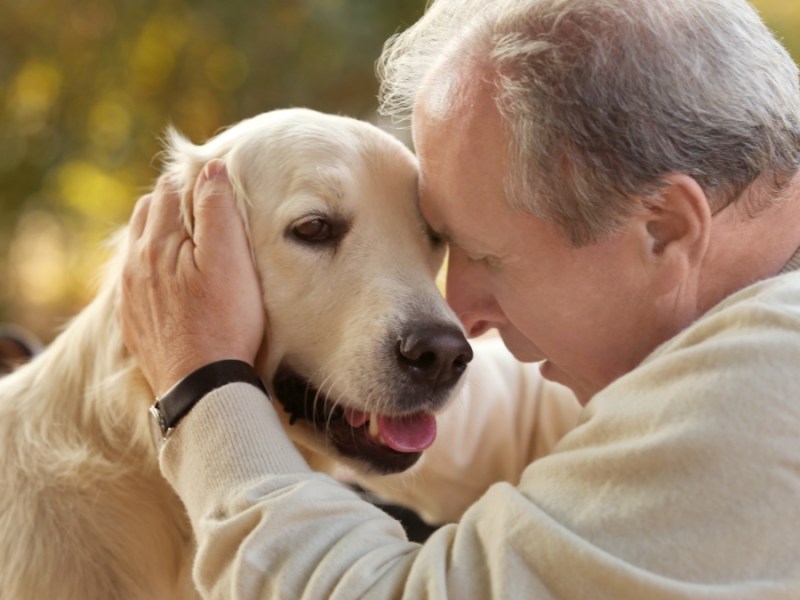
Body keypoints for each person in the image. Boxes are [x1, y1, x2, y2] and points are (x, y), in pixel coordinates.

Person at [118, 0, 800, 597]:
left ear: (664, 229)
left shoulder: (768, 384)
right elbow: (525, 420)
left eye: (487, 255)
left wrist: (202, 387)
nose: (462, 315)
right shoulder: (732, 327)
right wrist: (302, 363)